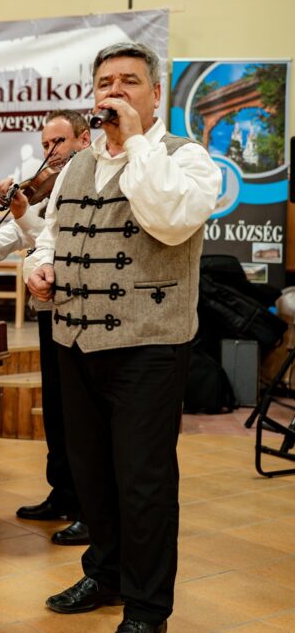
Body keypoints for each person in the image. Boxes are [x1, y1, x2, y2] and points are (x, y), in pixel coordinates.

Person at [26, 43, 220, 633]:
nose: (115, 92)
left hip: (148, 347)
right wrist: (40, 266)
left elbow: (170, 219)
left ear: (156, 94)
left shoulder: (187, 158)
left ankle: (147, 608)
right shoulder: (76, 165)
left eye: (129, 81)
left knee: (143, 483)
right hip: (75, 342)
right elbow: (51, 234)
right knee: (91, 475)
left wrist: (136, 141)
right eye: (104, 82)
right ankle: (105, 574)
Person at [0, 110, 92, 547]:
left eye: (57, 142)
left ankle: (88, 507)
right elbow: (27, 233)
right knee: (56, 407)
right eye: (44, 145)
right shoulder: (48, 184)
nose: (49, 152)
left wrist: (22, 214)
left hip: (82, 309)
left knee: (79, 412)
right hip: (49, 306)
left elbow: (60, 238)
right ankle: (63, 493)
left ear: (83, 139)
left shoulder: (90, 178)